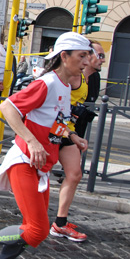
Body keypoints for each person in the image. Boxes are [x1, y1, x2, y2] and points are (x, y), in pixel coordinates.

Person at [0, 32, 91, 259]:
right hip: (24, 161)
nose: (87, 60)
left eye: (88, 55)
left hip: (41, 166)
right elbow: (7, 107)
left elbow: (52, 122)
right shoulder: (48, 83)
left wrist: (71, 136)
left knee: (34, 229)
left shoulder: (65, 86)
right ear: (64, 57)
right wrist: (33, 142)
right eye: (82, 55)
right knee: (36, 230)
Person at [49, 40, 105, 242]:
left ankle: (60, 223)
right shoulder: (72, 77)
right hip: (54, 129)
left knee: (74, 174)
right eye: (98, 55)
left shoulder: (91, 78)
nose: (102, 59)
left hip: (69, 131)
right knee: (34, 169)